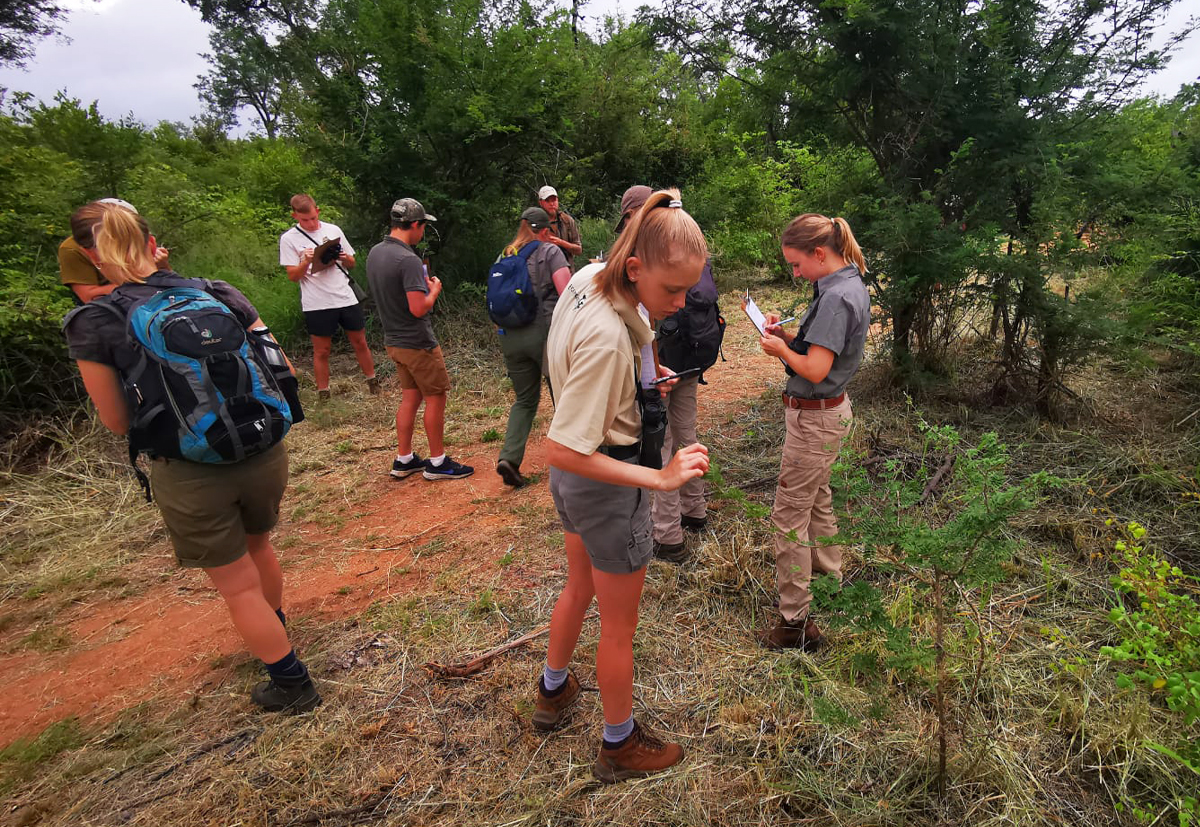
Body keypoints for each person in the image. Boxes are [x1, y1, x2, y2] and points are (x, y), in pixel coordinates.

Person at [62, 203, 319, 713]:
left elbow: (116, 420)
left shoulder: (96, 320)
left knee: (236, 584)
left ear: (90, 256)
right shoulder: (216, 291)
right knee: (259, 547)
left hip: (190, 468)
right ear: (152, 239)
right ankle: (275, 631)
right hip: (263, 449)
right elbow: (280, 365)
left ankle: (290, 682)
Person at [532, 189, 710, 784]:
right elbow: (561, 447)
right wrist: (658, 478)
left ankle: (553, 690)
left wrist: (645, 366)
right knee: (619, 629)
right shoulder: (610, 338)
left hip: (573, 486)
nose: (681, 304)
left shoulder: (587, 275)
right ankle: (619, 744)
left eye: (689, 290)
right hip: (603, 478)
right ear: (635, 268)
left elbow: (626, 333)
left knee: (577, 583)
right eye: (672, 291)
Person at [754, 214, 871, 651]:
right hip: (827, 414)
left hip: (815, 418)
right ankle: (829, 579)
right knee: (817, 498)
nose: (796, 273)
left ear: (820, 253)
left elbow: (817, 369)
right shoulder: (844, 284)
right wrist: (787, 337)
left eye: (798, 264)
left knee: (789, 517)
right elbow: (820, 351)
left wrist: (782, 349)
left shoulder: (838, 297)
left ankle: (795, 622)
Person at [616, 186, 723, 563]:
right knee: (687, 434)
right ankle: (695, 512)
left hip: (659, 368)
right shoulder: (687, 242)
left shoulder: (642, 259)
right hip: (692, 360)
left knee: (661, 445)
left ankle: (667, 536)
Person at [366, 197, 474, 481]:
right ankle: (437, 462)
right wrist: (434, 290)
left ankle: (404, 459)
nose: (423, 232)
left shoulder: (376, 252)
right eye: (423, 226)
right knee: (436, 397)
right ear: (414, 224)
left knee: (410, 397)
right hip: (417, 341)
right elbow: (418, 307)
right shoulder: (408, 259)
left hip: (393, 340)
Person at [493, 206, 573, 488]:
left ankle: (509, 458)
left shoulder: (505, 254)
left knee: (525, 400)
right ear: (545, 230)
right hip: (543, 333)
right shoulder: (550, 252)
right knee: (561, 392)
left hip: (509, 335)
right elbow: (567, 293)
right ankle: (573, 457)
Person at [279, 194, 378, 401]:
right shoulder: (289, 239)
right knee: (322, 350)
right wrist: (305, 262)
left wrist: (344, 257)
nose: (311, 223)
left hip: (344, 296)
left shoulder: (333, 230)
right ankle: (324, 394)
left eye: (313, 218)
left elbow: (351, 263)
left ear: (318, 211)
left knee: (360, 341)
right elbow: (292, 276)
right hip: (317, 302)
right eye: (305, 220)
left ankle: (373, 383)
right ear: (294, 215)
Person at [59, 199, 169, 304]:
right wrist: (143, 281)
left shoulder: (140, 238)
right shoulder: (73, 247)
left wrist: (162, 268)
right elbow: (88, 296)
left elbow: (172, 284)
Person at [537, 185, 583, 272]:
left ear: (557, 200)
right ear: (541, 203)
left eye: (554, 200)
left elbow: (579, 250)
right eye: (547, 200)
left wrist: (561, 243)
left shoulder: (567, 221)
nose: (552, 204)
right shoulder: (535, 221)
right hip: (543, 274)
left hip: (566, 271)